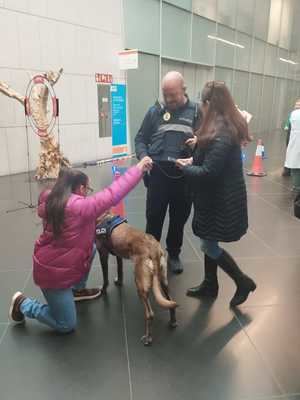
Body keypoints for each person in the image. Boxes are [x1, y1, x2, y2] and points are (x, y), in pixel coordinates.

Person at [9, 157, 152, 333]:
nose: (88, 192)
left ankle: (76, 290)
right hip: (54, 276)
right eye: (87, 188)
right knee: (66, 325)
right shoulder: (78, 207)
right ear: (80, 188)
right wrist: (138, 168)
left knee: (91, 248)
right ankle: (24, 304)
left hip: (51, 261)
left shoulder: (53, 198)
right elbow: (113, 193)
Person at [176, 81, 256, 307]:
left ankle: (243, 282)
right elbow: (210, 156)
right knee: (206, 237)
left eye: (202, 102)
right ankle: (210, 284)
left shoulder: (223, 131)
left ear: (210, 103)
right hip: (216, 197)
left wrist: (185, 167)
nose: (200, 107)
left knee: (209, 245)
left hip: (221, 199)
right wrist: (194, 155)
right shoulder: (220, 124)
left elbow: (209, 172)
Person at [135, 71, 200, 274]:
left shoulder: (198, 111)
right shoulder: (154, 111)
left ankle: (174, 253)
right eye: (166, 95)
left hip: (184, 177)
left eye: (173, 94)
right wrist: (143, 155)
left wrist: (199, 143)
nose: (169, 99)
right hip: (158, 175)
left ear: (184, 89)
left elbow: (209, 140)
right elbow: (140, 139)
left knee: (178, 219)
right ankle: (150, 256)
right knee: (153, 218)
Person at [284, 102, 300, 193]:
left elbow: (288, 127)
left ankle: (296, 186)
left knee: (295, 163)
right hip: (295, 139)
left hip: (294, 140)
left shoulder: (293, 114)